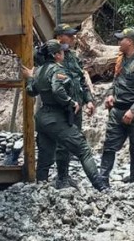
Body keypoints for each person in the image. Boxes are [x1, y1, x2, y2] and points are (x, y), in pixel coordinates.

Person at [23, 40, 109, 191]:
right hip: (57, 118)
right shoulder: (57, 70)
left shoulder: (39, 71)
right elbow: (57, 90)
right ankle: (101, 187)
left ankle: (41, 187)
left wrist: (30, 77)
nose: (64, 53)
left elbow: (31, 91)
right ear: (57, 55)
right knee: (83, 150)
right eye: (61, 51)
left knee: (45, 155)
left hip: (43, 118)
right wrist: (71, 102)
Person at [99, 27, 134, 184]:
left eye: (121, 39)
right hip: (117, 110)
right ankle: (103, 179)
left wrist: (133, 110)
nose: (118, 42)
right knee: (109, 145)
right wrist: (110, 94)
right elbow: (116, 81)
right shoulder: (120, 59)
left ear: (129, 42)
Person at [52, 23, 96, 189]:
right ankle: (61, 178)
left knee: (71, 143)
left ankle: (65, 175)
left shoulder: (72, 57)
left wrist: (89, 100)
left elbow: (82, 81)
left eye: (72, 35)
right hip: (61, 108)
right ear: (59, 36)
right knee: (62, 143)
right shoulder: (51, 55)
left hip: (76, 109)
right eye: (68, 36)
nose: (72, 38)